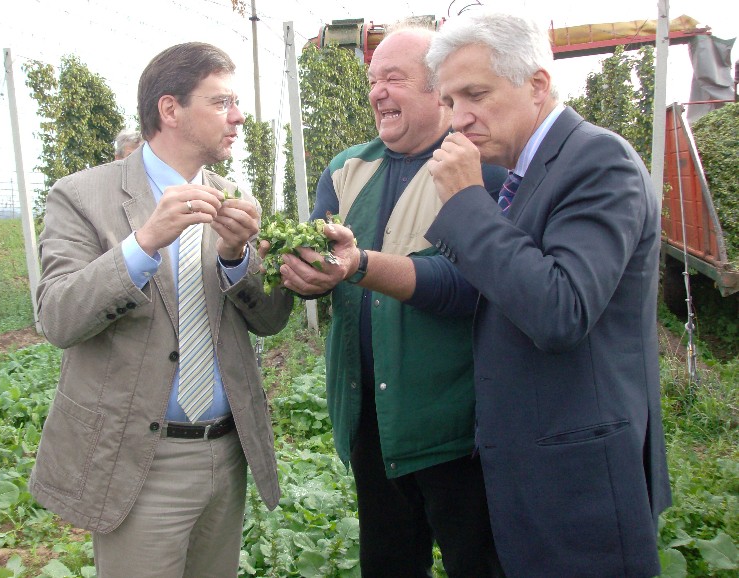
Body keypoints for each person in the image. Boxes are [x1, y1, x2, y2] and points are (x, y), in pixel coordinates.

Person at [420, 12, 672, 578]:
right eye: (450, 100)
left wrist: (465, 204)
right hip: (529, 473)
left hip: (580, 484)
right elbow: (491, 287)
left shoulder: (598, 162)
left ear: (537, 85)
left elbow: (561, 310)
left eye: (476, 94)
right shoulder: (515, 176)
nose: (459, 119)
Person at [30, 42, 293, 578]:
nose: (238, 116)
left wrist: (236, 258)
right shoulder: (82, 196)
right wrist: (143, 243)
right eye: (221, 102)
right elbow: (57, 316)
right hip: (140, 459)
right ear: (170, 110)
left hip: (226, 450)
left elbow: (269, 321)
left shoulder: (232, 200)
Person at [279, 25, 507, 577]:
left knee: (476, 560)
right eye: (372, 80)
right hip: (372, 420)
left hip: (458, 427)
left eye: (394, 78)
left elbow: (477, 286)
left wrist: (358, 265)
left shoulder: (483, 168)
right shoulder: (347, 169)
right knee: (387, 562)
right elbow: (317, 252)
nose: (377, 91)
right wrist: (300, 267)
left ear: (439, 91)